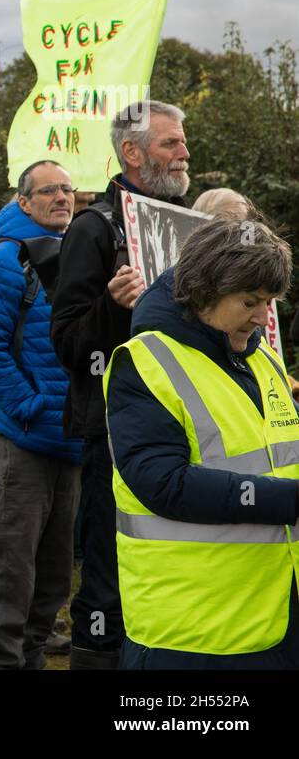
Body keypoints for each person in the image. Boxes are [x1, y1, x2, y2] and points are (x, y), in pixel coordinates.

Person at [105, 217, 299, 668]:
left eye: (269, 302)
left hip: (274, 617)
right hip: (191, 633)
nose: (261, 317)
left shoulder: (262, 357)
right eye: (249, 302)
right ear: (204, 292)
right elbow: (163, 484)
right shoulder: (145, 361)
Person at [50, 100, 190, 669]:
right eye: (170, 144)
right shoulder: (94, 228)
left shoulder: (189, 227)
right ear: (132, 154)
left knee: (169, 565)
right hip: (113, 428)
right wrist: (112, 307)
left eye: (182, 142)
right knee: (109, 571)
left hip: (184, 421)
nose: (184, 153)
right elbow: (66, 342)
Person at [0, 161, 82, 669]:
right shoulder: (6, 260)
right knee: (12, 567)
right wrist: (31, 408)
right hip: (21, 442)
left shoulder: (77, 256)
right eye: (49, 190)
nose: (61, 197)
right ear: (24, 201)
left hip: (71, 442)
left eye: (67, 188)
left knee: (56, 572)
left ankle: (29, 657)